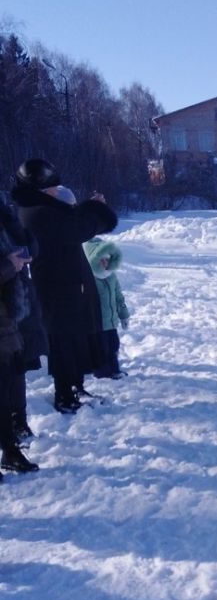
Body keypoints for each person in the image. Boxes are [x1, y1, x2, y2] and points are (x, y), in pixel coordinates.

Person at [11, 159, 117, 413]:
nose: (54, 191)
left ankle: (75, 386)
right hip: (56, 287)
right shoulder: (37, 211)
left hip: (66, 283)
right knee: (63, 342)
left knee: (74, 338)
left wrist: (89, 206)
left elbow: (69, 219)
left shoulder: (40, 207)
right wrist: (97, 210)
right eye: (49, 188)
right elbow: (77, 229)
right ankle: (64, 396)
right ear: (38, 188)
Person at [0, 194, 47, 441]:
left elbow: (32, 249)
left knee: (17, 369)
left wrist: (13, 222)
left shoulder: (5, 214)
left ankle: (18, 423)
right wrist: (10, 265)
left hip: (16, 305)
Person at [0, 222, 40, 477]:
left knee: (4, 392)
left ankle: (10, 450)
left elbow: (29, 243)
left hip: (6, 320)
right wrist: (8, 265)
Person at [83, 238, 130, 379]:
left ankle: (114, 370)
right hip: (96, 324)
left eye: (107, 259)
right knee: (100, 348)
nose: (105, 263)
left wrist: (124, 315)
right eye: (101, 260)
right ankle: (101, 372)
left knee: (113, 346)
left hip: (111, 322)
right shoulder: (88, 278)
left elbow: (118, 297)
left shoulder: (111, 276)